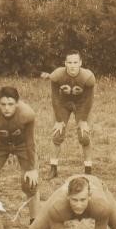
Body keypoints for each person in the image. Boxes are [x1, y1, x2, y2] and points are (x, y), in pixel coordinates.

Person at [0, 86, 39, 223]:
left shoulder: (27, 114)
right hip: (0, 144)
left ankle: (35, 221)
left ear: (17, 103)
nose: (7, 108)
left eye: (11, 104)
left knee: (30, 183)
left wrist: (31, 169)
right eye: (3, 104)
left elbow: (30, 142)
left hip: (22, 144)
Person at [41, 50, 96, 178]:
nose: (72, 65)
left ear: (80, 63)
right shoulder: (57, 75)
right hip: (63, 104)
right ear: (65, 63)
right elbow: (55, 98)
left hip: (82, 104)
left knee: (84, 136)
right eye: (69, 62)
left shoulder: (88, 77)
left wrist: (83, 120)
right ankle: (53, 168)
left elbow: (89, 100)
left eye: (75, 62)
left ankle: (88, 170)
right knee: (57, 134)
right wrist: (59, 120)